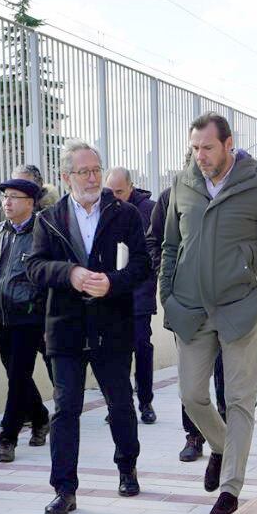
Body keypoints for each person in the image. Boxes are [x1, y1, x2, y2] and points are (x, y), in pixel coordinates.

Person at [161, 112, 257, 514]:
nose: (200, 156)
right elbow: (170, 245)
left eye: (207, 147)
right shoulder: (183, 184)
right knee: (192, 395)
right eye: (194, 148)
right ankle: (220, 446)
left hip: (241, 311)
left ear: (228, 143)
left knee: (239, 400)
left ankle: (231, 487)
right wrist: (167, 294)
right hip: (190, 309)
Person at [26, 140, 148, 514]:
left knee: (121, 403)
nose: (94, 177)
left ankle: (127, 467)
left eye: (97, 169)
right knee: (65, 410)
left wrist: (113, 282)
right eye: (84, 171)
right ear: (67, 178)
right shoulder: (49, 220)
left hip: (112, 326)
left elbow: (143, 263)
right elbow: (34, 267)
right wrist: (71, 274)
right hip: (66, 329)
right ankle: (64, 488)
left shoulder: (124, 213)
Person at [150, 179, 226, 462]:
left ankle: (225, 439)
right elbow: (155, 241)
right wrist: (171, 280)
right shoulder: (172, 196)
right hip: (187, 305)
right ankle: (194, 436)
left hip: (231, 304)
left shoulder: (239, 192)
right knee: (191, 382)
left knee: (229, 381)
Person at [0, 177, 51, 462]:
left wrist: (49, 319)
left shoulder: (44, 233)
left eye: (14, 197)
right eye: (5, 197)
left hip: (29, 317)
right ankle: (40, 417)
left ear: (30, 203)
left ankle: (7, 437)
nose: (7, 203)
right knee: (15, 374)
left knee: (18, 375)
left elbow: (49, 278)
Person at [105, 166, 158, 425]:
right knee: (116, 351)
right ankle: (119, 402)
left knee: (141, 347)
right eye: (110, 191)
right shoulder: (104, 209)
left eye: (119, 191)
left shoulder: (148, 210)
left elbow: (154, 250)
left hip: (139, 293)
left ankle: (145, 401)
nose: (115, 197)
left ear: (131, 187)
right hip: (112, 293)